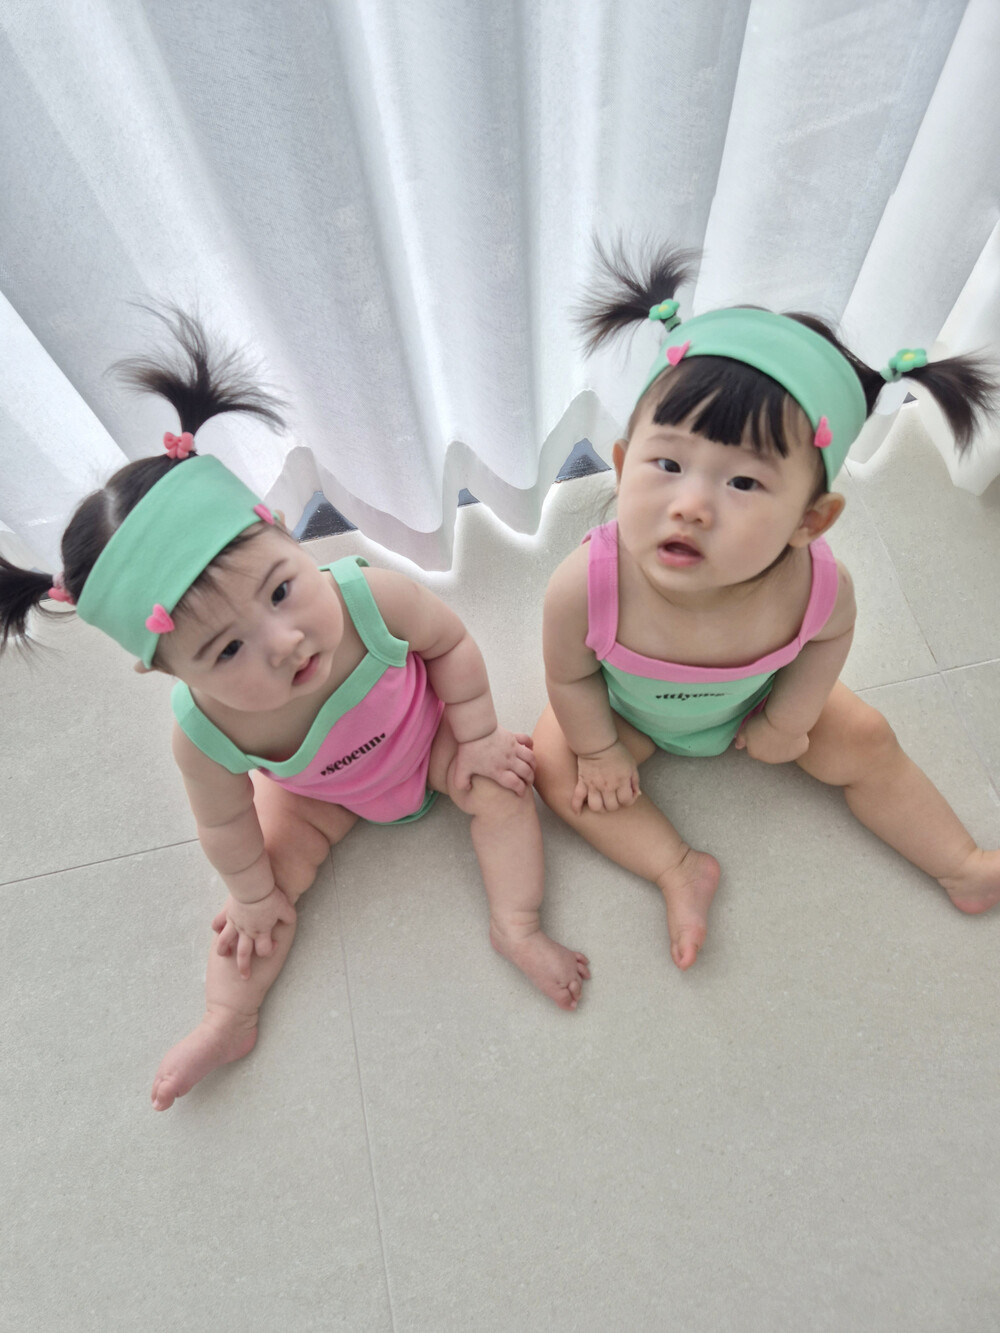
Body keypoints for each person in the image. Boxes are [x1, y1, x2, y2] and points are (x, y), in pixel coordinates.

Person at [0, 311, 589, 1111]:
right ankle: (227, 1017)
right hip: (317, 798)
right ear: (163, 668)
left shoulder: (369, 597)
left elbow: (449, 643)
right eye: (226, 650)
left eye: (280, 589)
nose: (283, 644)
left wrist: (478, 735)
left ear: (282, 531)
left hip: (432, 742)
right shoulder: (204, 733)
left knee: (507, 786)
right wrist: (251, 891)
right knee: (253, 914)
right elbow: (225, 823)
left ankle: (516, 924)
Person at [534, 242, 1000, 972]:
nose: (690, 505)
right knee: (554, 764)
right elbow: (569, 675)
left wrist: (790, 717)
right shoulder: (586, 585)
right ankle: (675, 866)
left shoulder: (817, 586)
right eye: (667, 464)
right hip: (628, 716)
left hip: (756, 707)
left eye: (744, 483)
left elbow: (828, 640)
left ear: (810, 521)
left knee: (868, 739)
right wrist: (596, 749)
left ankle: (961, 863)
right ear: (622, 467)